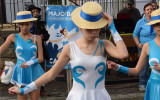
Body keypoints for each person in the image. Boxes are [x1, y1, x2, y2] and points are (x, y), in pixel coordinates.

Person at [8, 2, 128, 100]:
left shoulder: (104, 44)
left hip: (100, 96)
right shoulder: (70, 47)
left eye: (97, 28)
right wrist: (24, 89)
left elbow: (123, 54)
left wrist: (112, 27)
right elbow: (50, 74)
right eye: (89, 28)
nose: (94, 32)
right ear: (80, 26)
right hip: (78, 96)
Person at [107, 8, 160, 100]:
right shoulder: (147, 46)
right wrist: (118, 67)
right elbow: (136, 70)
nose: (159, 27)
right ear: (152, 26)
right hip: (154, 89)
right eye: (156, 24)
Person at [0, 11, 44, 100]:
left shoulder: (37, 38)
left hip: (35, 71)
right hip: (20, 72)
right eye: (22, 24)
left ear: (31, 23)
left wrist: (30, 62)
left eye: (27, 24)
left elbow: (41, 58)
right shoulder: (13, 37)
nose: (24, 27)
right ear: (19, 24)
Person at [133, 3, 156, 91]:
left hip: (155, 46)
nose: (150, 11)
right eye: (147, 9)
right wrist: (138, 43)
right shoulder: (140, 22)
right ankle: (142, 83)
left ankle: (153, 83)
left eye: (151, 9)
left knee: (155, 64)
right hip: (143, 47)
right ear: (144, 11)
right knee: (144, 66)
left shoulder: (157, 20)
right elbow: (135, 34)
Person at [28, 4, 50, 96]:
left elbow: (47, 35)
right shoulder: (27, 24)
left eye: (37, 12)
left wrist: (42, 36)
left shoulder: (41, 24)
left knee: (40, 71)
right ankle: (28, 89)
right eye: (33, 12)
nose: (36, 13)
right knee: (29, 70)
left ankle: (41, 89)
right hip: (30, 51)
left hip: (40, 51)